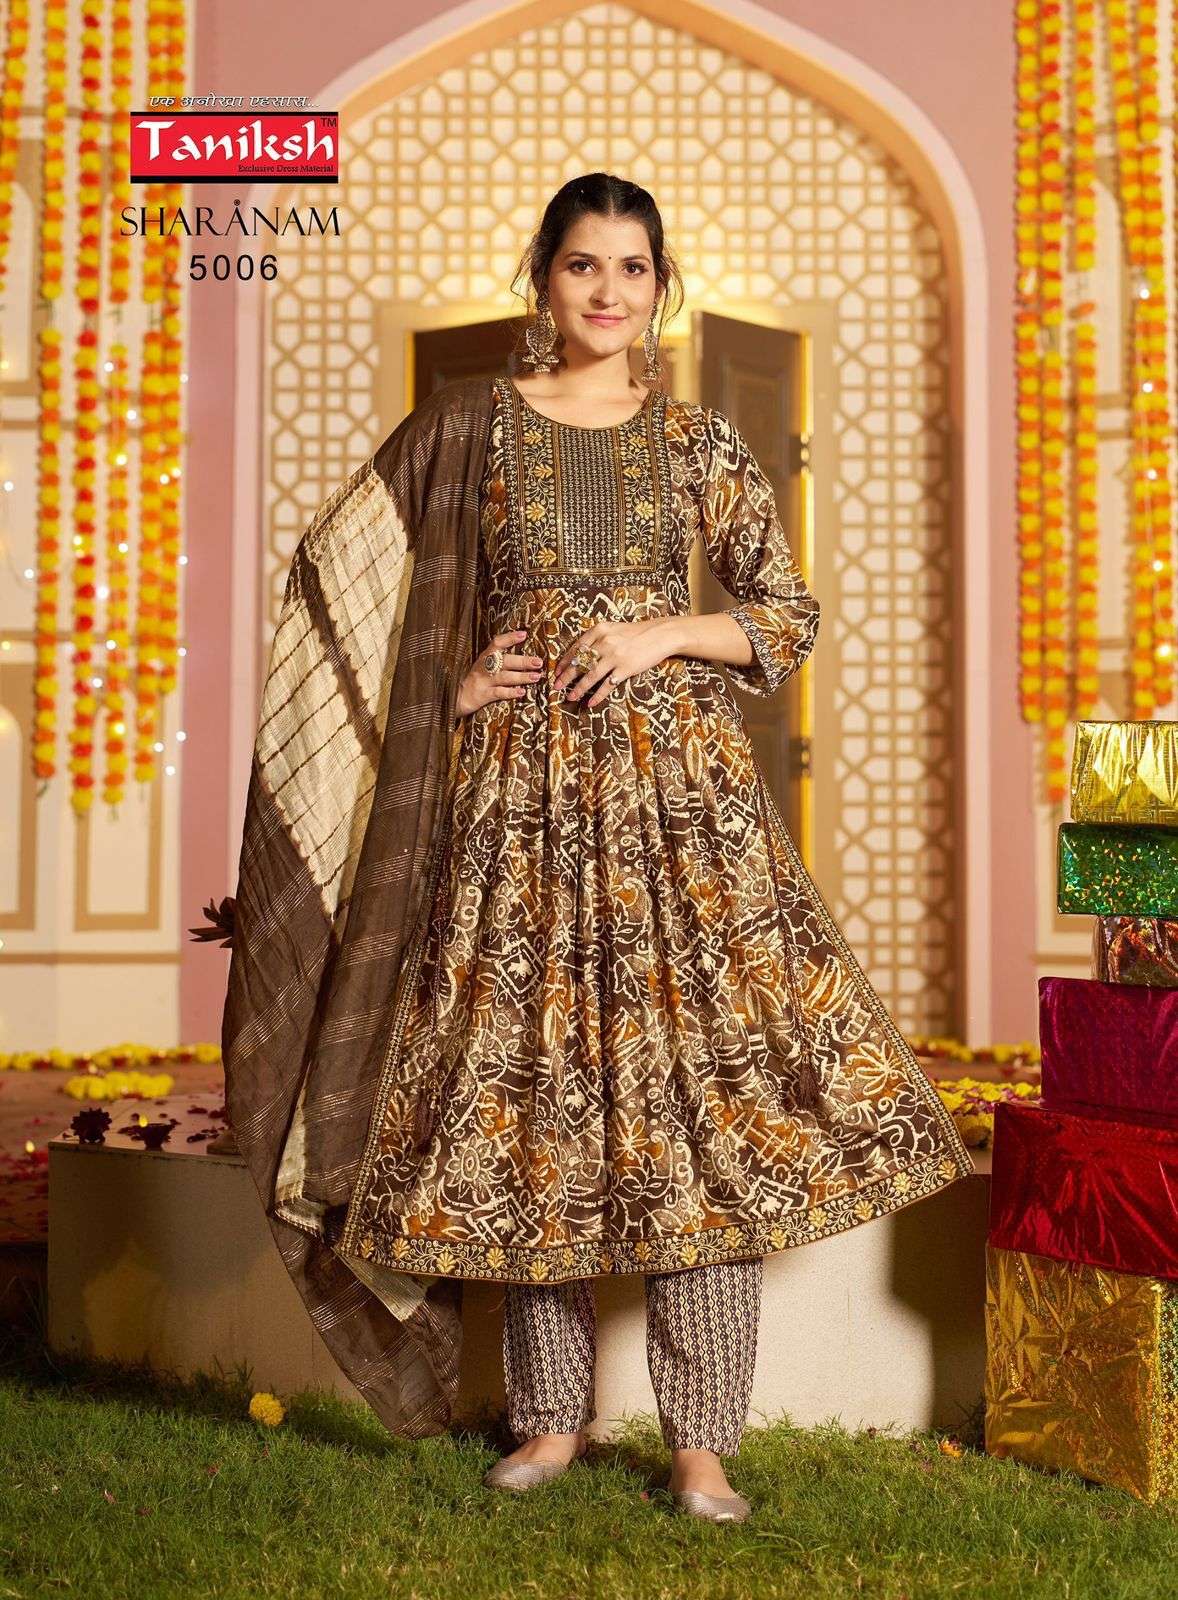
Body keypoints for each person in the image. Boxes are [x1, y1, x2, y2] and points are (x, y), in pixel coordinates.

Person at [221, 173, 972, 1527]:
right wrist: (449, 688)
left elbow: (784, 614)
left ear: (660, 287)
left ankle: (702, 1446)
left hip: (678, 816)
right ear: (543, 278)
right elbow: (346, 580)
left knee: (706, 1112)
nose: (608, 290)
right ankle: (551, 1420)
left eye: (632, 267)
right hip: (514, 810)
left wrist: (661, 633)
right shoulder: (469, 426)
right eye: (583, 264)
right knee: (534, 1098)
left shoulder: (697, 442)